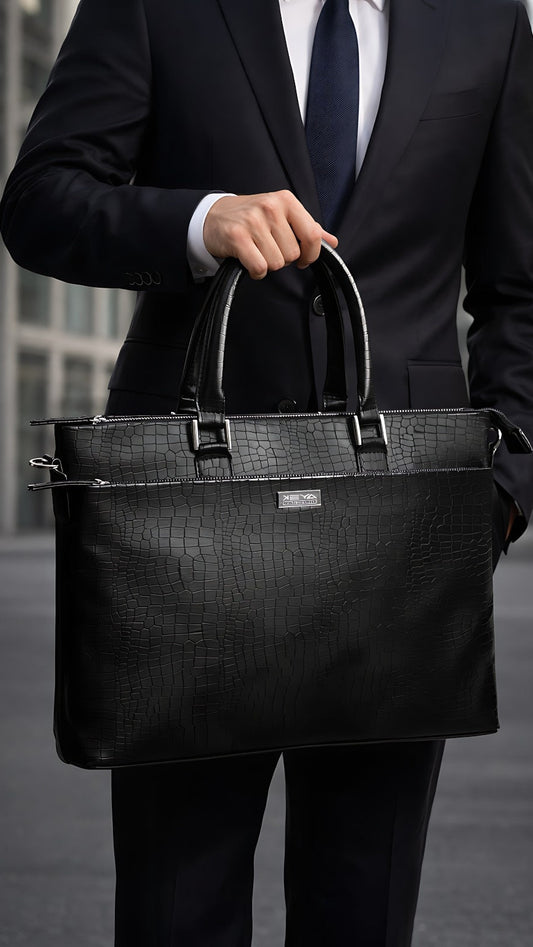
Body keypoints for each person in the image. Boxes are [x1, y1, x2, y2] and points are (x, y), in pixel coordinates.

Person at [1, 1, 532, 945]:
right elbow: (40, 201)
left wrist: (497, 493)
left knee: (363, 905)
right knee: (177, 903)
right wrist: (199, 222)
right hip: (184, 531)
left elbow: (520, 289)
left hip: (403, 543)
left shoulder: (485, 21)